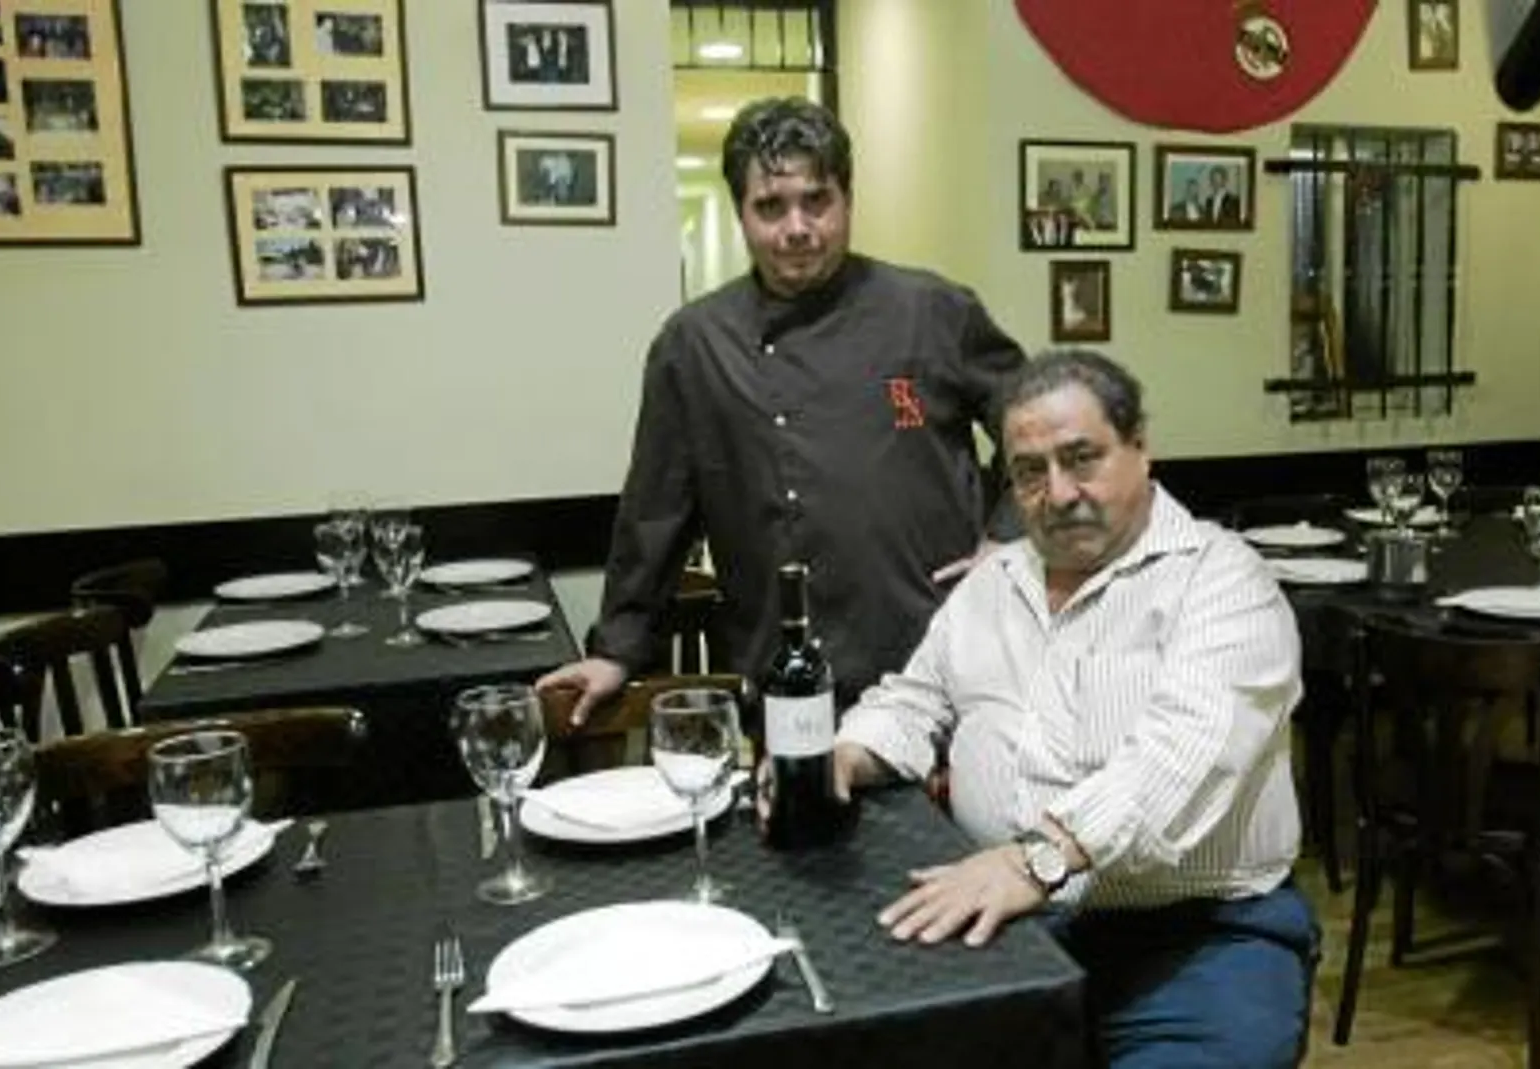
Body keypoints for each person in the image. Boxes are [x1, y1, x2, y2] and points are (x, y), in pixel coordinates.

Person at [815, 349, 1317, 1068]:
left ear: (1140, 447)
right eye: (1029, 471)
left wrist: (1038, 862)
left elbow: (1181, 760)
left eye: (1082, 458)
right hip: (1011, 923)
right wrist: (846, 754)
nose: (1057, 492)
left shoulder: (1224, 581)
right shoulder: (992, 584)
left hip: (1200, 942)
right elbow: (915, 698)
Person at [539, 97, 1026, 725]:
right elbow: (655, 512)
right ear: (741, 213)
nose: (797, 227)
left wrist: (1007, 539)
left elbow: (1040, 424)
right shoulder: (695, 344)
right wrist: (616, 651)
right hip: (786, 674)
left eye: (816, 201)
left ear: (848, 200)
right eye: (770, 207)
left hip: (938, 659)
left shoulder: (931, 311)